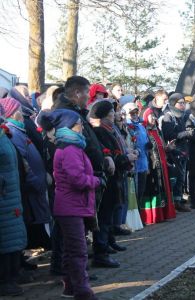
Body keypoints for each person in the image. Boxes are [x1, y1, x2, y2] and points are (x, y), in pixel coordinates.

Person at [52, 76, 116, 268]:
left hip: (87, 171)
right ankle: (67, 269)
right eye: (87, 92)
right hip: (76, 181)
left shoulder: (76, 111)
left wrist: (103, 155)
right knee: (69, 232)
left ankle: (73, 268)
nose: (89, 97)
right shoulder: (65, 114)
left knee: (77, 229)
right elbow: (75, 150)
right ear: (77, 92)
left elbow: (89, 140)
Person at [44, 109, 100, 300]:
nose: (82, 126)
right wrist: (96, 181)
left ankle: (70, 287)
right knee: (78, 251)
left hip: (71, 206)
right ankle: (82, 291)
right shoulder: (70, 150)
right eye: (78, 124)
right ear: (69, 127)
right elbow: (77, 179)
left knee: (70, 250)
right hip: (71, 207)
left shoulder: (71, 147)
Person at [0, 97, 51, 249]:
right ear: (12, 113)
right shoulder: (13, 132)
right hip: (29, 186)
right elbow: (22, 161)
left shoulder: (18, 130)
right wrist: (35, 180)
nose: (21, 113)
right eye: (18, 110)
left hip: (34, 185)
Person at [89, 100, 135, 264]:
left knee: (109, 213)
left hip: (116, 177)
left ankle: (108, 242)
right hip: (109, 179)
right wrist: (125, 158)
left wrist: (127, 154)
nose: (115, 115)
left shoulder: (110, 130)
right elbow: (109, 155)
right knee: (104, 214)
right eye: (111, 113)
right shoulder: (101, 131)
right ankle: (101, 250)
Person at [0, 103, 27, 297]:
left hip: (11, 194)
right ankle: (5, 280)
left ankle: (13, 274)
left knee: (12, 236)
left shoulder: (3, 134)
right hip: (4, 195)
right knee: (6, 238)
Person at [141, 107, 176, 223]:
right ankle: (153, 216)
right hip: (151, 165)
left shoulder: (157, 130)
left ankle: (164, 213)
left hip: (161, 164)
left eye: (154, 116)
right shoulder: (144, 131)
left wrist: (167, 148)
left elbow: (160, 148)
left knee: (163, 187)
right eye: (151, 116)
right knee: (153, 188)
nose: (154, 118)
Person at [161, 93, 192, 212]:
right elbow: (168, 134)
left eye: (184, 103)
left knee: (181, 178)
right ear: (174, 103)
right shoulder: (168, 116)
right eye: (181, 103)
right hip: (173, 152)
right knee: (175, 178)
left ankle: (178, 201)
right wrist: (184, 134)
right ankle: (173, 202)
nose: (183, 105)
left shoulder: (182, 116)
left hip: (183, 150)